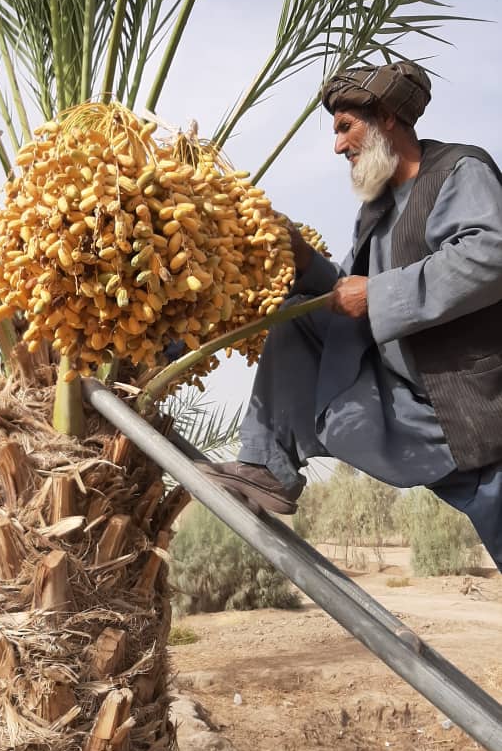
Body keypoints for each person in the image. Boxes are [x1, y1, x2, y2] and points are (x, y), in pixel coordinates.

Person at [202, 60, 502, 570]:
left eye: (346, 127)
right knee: (298, 315)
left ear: (386, 117)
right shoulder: (377, 208)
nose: (338, 146)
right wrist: (300, 258)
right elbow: (346, 292)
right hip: (409, 402)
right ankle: (267, 466)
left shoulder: (459, 170)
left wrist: (381, 295)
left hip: (469, 408)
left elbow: (490, 252)